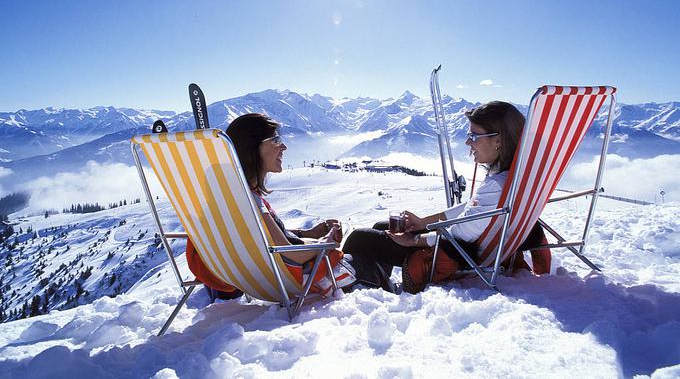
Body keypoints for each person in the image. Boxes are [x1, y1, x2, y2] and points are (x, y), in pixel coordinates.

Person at [342, 100, 551, 293]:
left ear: (498, 140)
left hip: (457, 255)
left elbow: (460, 233)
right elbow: (470, 210)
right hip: (475, 246)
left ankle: (360, 290)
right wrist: (422, 222)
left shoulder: (497, 186)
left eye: (474, 137)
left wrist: (413, 240)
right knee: (382, 226)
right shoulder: (511, 181)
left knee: (359, 238)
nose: (469, 143)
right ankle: (378, 282)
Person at [186, 113, 348, 300]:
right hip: (295, 280)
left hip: (260, 278)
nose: (284, 146)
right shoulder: (246, 202)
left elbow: (261, 237)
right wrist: (328, 241)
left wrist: (308, 234)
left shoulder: (229, 196)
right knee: (366, 240)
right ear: (252, 148)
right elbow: (295, 256)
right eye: (276, 140)